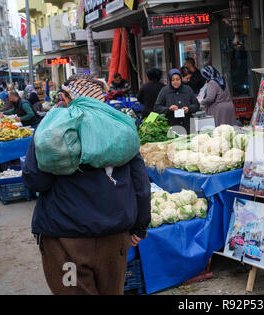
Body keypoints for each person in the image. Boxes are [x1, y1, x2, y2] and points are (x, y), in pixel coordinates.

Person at [22, 73, 151, 295]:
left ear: (67, 96)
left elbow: (36, 180)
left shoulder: (52, 129)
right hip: (115, 238)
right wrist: (140, 225)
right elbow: (140, 182)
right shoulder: (120, 127)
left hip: (66, 242)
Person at [154, 69, 200, 134]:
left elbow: (196, 105)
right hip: (172, 125)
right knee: (174, 143)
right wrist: (169, 109)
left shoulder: (187, 89)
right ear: (169, 80)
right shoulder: (165, 91)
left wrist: (188, 109)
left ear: (181, 79)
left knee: (191, 142)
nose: (175, 82)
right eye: (173, 80)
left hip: (188, 124)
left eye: (178, 79)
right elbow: (157, 107)